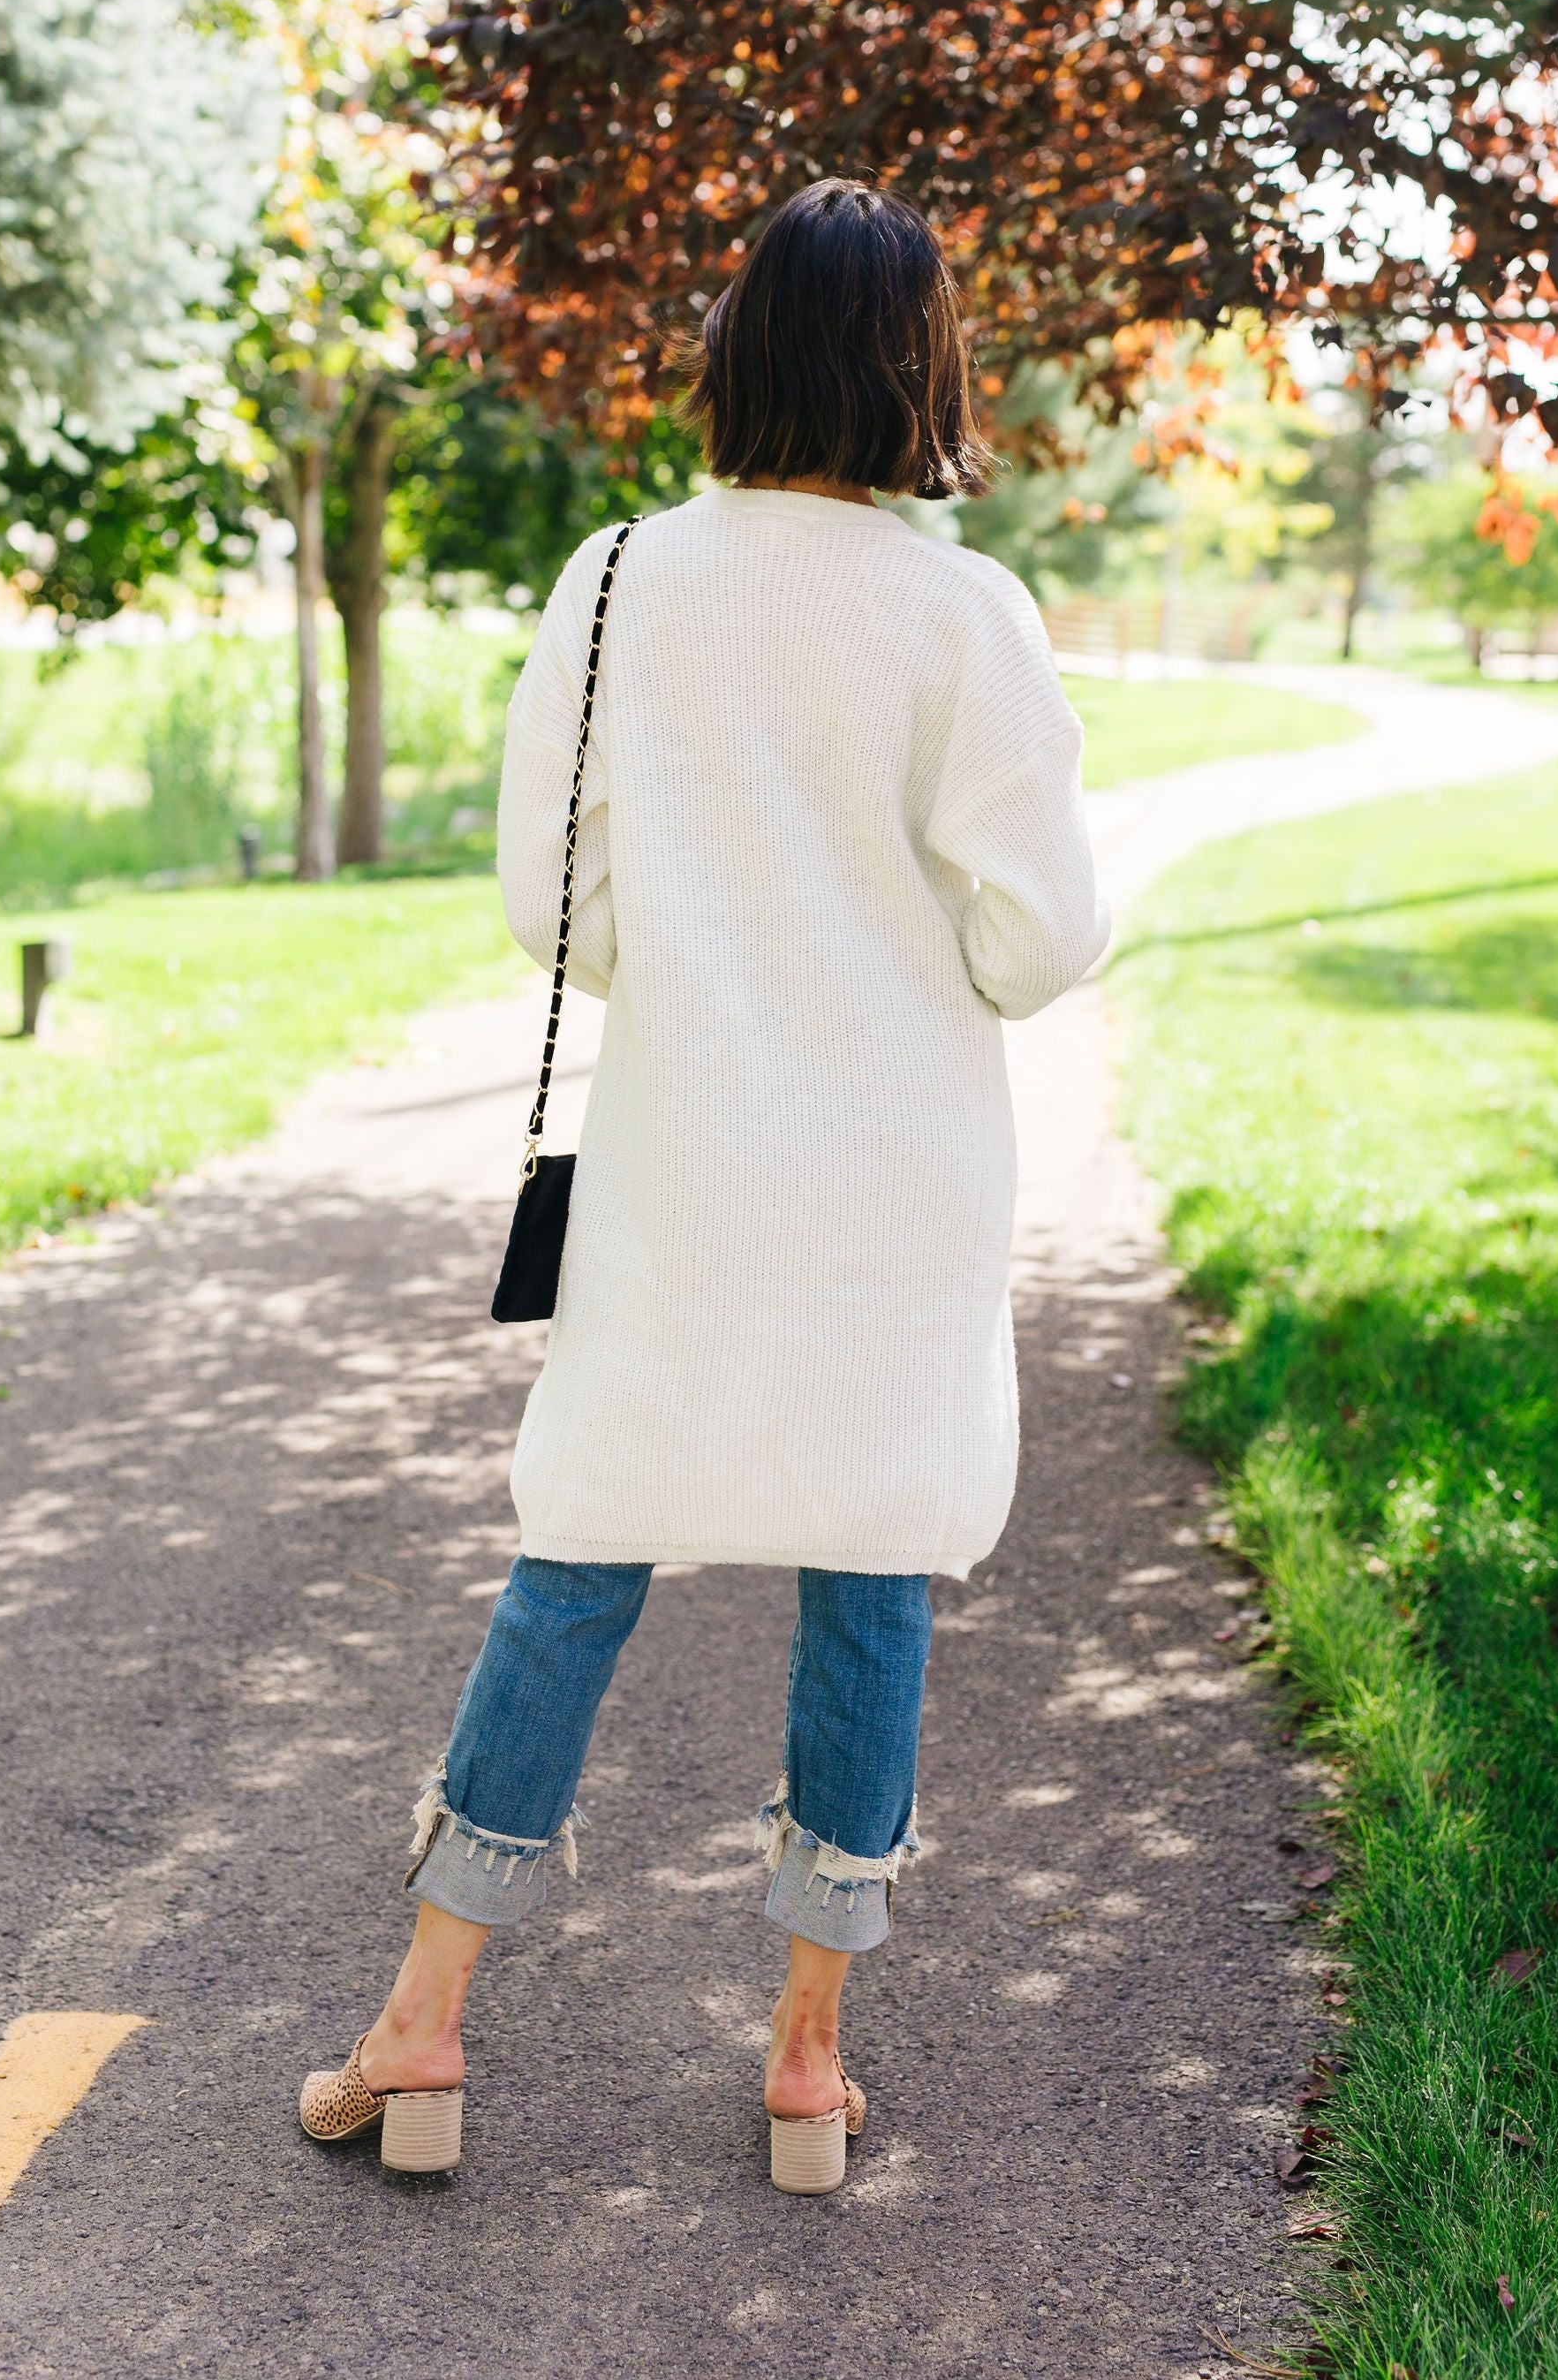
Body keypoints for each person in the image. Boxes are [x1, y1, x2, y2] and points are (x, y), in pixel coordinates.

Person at [299, 179, 1109, 2193]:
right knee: (872, 1568)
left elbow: (551, 909)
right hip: (895, 1183)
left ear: (736, 345)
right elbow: (1035, 943)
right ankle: (810, 2069)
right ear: (922, 364)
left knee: (579, 1555)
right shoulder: (964, 611)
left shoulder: (611, 581)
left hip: (681, 1167)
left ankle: (418, 2033)